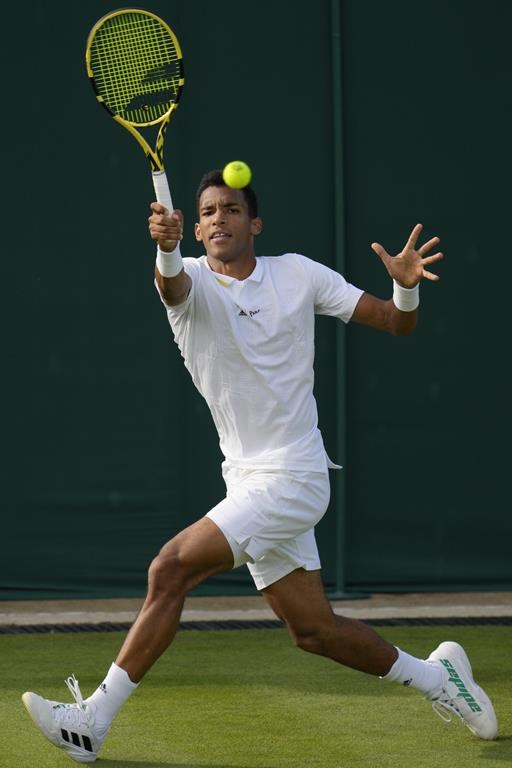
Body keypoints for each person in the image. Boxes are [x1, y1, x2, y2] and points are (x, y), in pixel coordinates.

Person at [22, 170, 497, 763]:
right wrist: (166, 247)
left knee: (169, 568)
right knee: (312, 631)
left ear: (255, 222)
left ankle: (92, 718)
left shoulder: (298, 274)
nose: (218, 218)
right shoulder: (188, 278)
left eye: (231, 208)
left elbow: (397, 322)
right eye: (207, 212)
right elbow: (171, 284)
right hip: (247, 478)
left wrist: (406, 288)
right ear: (195, 228)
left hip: (295, 475)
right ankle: (438, 678)